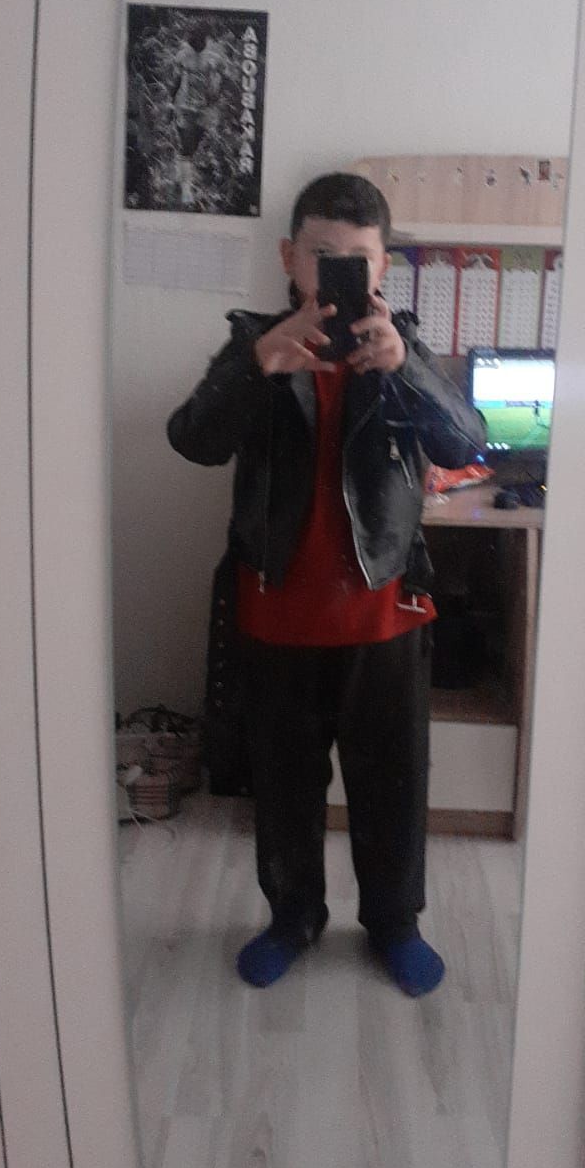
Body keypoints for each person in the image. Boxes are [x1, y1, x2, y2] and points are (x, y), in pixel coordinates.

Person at [167, 173, 486, 996]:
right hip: (275, 614)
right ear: (288, 257)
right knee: (283, 785)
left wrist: (406, 370)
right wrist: (257, 365)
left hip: (386, 617)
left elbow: (463, 443)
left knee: (392, 784)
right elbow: (192, 439)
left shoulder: (402, 347)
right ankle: (292, 916)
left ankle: (394, 924)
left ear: (381, 266)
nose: (335, 270)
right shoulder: (253, 343)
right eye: (319, 254)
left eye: (356, 257)